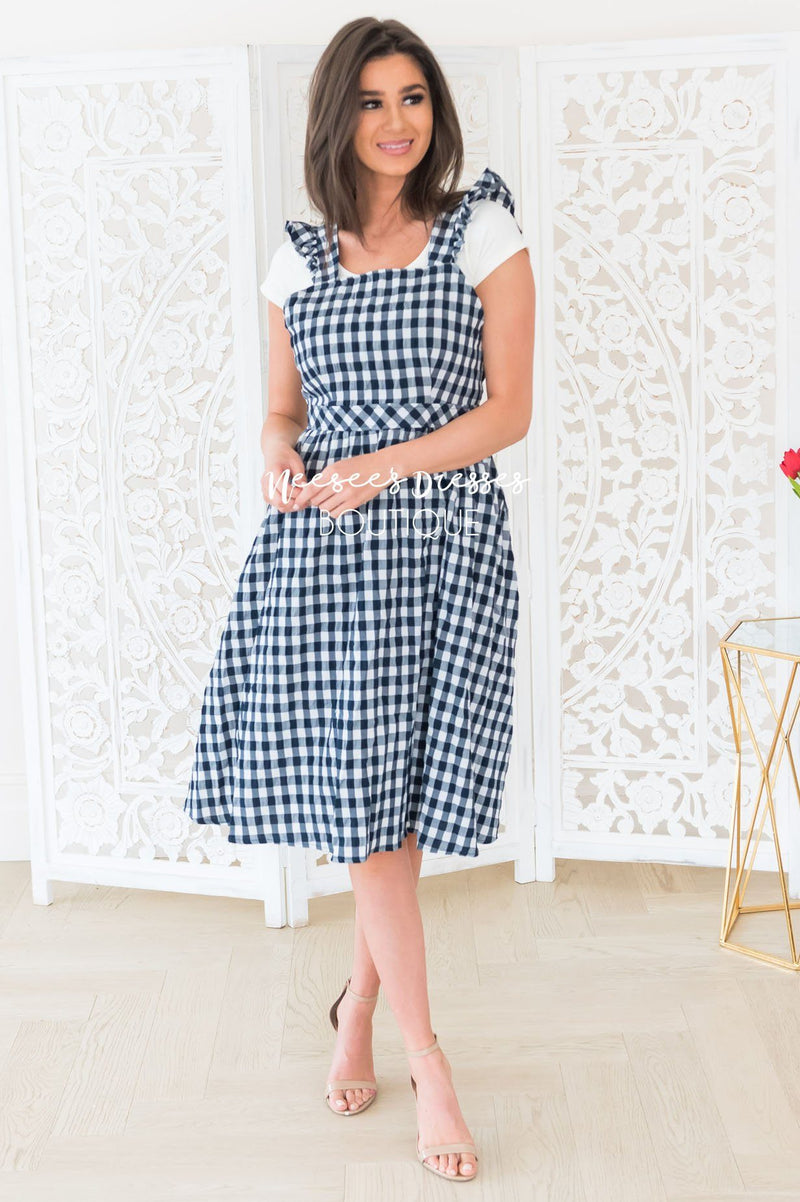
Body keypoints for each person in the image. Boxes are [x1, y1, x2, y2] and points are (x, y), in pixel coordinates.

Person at [184, 15, 535, 1184]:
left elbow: (506, 411)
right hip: (326, 560)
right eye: (373, 101)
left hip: (446, 546)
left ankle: (358, 1004)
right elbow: (282, 410)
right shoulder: (298, 257)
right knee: (369, 818)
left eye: (413, 98)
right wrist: (277, 458)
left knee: (404, 808)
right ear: (336, 116)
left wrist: (381, 464)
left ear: (437, 111)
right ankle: (425, 1059)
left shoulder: (480, 228)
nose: (396, 122)